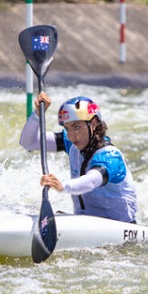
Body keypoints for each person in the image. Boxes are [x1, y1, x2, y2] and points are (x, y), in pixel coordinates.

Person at [19, 92, 137, 223]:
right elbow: (29, 142)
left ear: (94, 123)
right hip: (86, 222)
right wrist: (38, 113)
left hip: (121, 229)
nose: (71, 135)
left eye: (77, 127)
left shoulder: (111, 156)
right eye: (67, 128)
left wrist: (63, 186)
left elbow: (91, 181)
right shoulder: (71, 144)